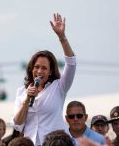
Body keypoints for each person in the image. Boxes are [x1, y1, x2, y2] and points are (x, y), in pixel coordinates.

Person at [12, 13, 76, 145]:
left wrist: (62, 37)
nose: (39, 71)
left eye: (44, 68)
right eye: (36, 67)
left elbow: (71, 63)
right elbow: (17, 124)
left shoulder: (59, 87)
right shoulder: (21, 92)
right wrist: (27, 100)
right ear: (31, 69)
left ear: (51, 71)